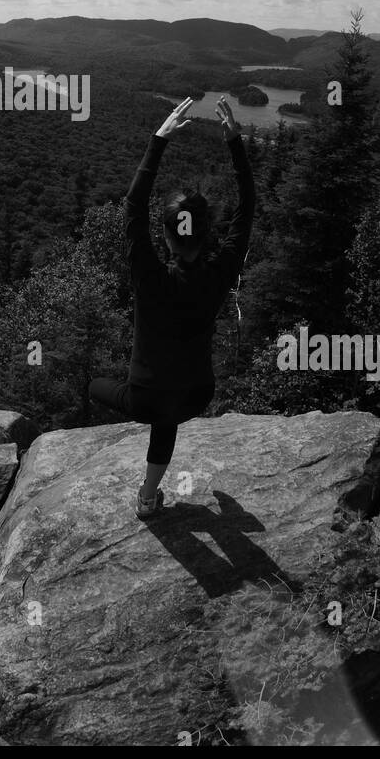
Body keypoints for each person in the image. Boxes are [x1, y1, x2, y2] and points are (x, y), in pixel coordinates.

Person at [89, 95, 255, 519]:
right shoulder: (220, 271)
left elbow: (131, 205)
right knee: (168, 411)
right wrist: (235, 142)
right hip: (196, 395)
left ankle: (94, 459)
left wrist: (158, 140)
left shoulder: (149, 275)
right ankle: (148, 495)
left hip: (146, 398)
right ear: (206, 233)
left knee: (91, 385)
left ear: (165, 236)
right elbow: (247, 208)